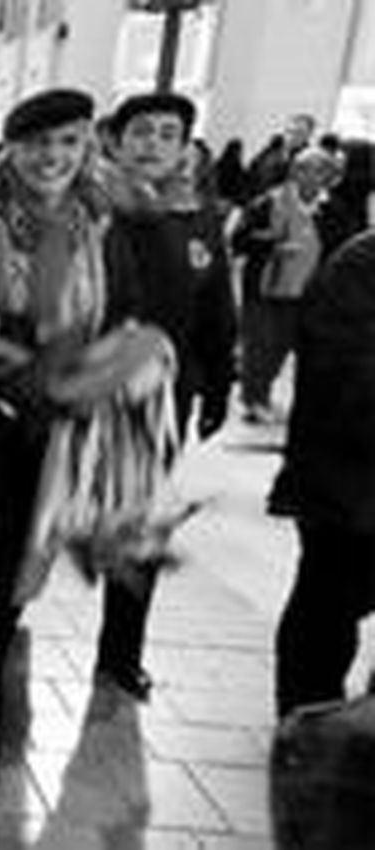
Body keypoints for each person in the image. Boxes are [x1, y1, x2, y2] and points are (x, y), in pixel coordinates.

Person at [0, 89, 136, 793]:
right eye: (39, 143)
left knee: (20, 585)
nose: (54, 157)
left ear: (86, 150)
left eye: (69, 143)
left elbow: (125, 323)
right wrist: (8, 380)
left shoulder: (104, 229)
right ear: (12, 150)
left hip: (68, 438)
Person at [95, 92, 237, 699]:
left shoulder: (199, 219)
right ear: (118, 141)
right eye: (141, 132)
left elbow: (215, 311)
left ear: (185, 147)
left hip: (163, 402)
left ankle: (121, 652)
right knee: (42, 523)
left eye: (167, 133)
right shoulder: (91, 211)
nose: (153, 143)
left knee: (141, 532)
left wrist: (215, 388)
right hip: (87, 393)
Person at [269, 230, 375, 717]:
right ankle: (303, 730)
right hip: (345, 487)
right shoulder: (359, 265)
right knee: (326, 612)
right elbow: (345, 376)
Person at [237, 147, 340, 423]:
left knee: (281, 347)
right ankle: (253, 398)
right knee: (260, 345)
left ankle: (262, 392)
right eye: (309, 170)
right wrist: (274, 246)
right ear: (296, 171)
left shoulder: (329, 209)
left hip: (304, 291)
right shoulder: (267, 202)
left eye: (324, 173)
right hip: (265, 286)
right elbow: (239, 241)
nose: (316, 178)